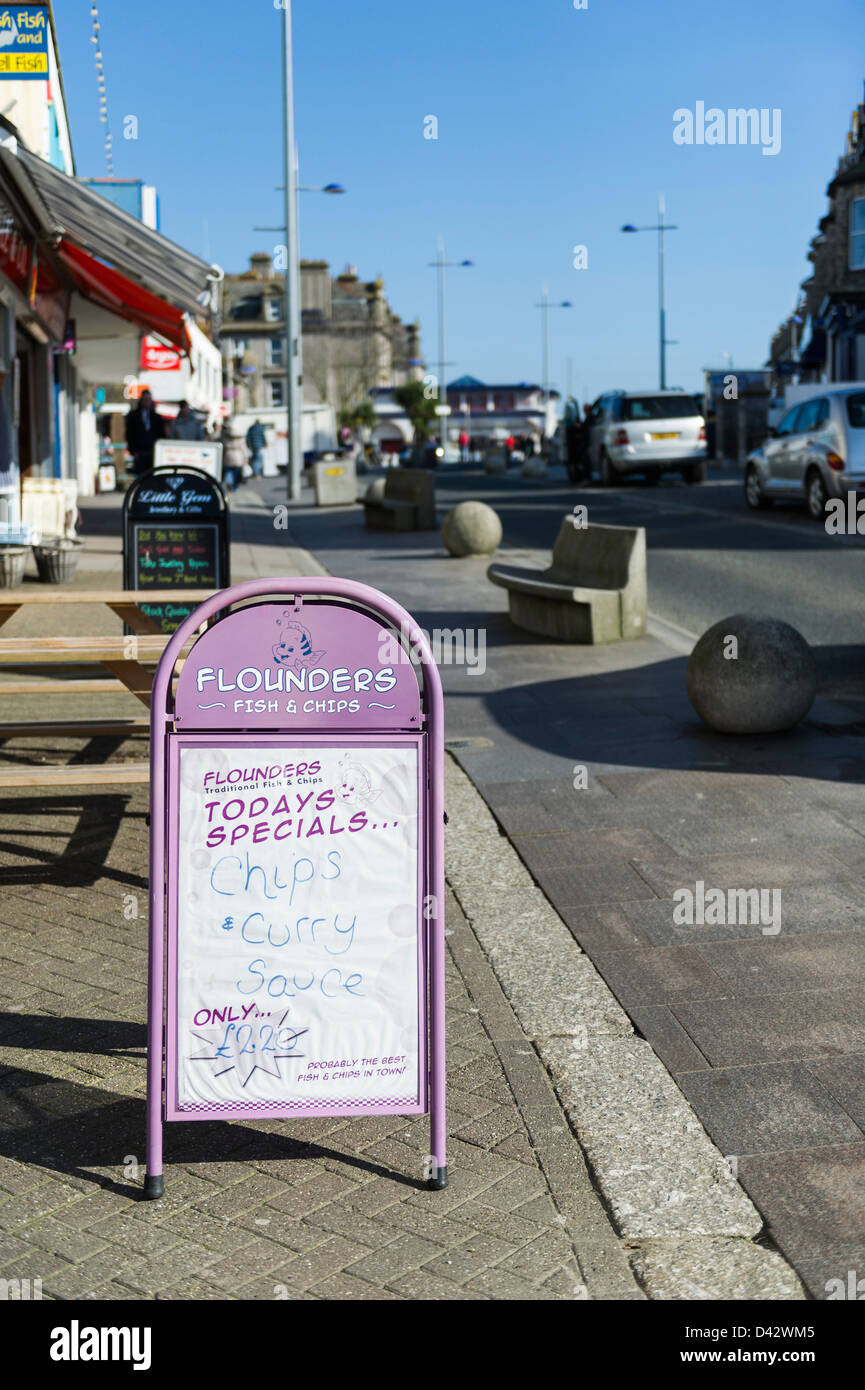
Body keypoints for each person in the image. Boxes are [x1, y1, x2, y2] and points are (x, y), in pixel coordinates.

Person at [124, 390, 166, 475]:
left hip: (153, 453)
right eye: (145, 399)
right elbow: (129, 434)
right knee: (141, 478)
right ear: (141, 400)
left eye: (148, 399)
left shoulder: (156, 417)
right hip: (139, 454)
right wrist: (133, 451)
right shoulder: (133, 416)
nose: (147, 402)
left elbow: (161, 435)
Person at [220, 419, 248, 493]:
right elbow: (244, 449)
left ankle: (229, 482)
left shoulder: (224, 436)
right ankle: (235, 487)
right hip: (238, 457)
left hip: (227, 456)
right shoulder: (240, 438)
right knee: (236, 474)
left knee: (228, 471)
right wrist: (245, 459)